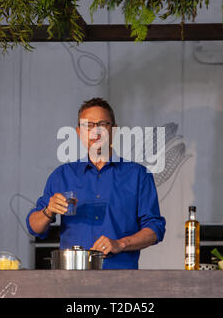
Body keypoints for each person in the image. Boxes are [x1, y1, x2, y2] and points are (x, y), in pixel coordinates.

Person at [26, 98, 166, 269]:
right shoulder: (62, 175)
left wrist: (120, 243)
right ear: (78, 132)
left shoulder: (138, 175)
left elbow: (155, 229)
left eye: (102, 124)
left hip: (121, 280)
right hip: (72, 279)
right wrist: (48, 211)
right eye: (88, 125)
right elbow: (34, 227)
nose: (95, 132)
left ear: (114, 130)